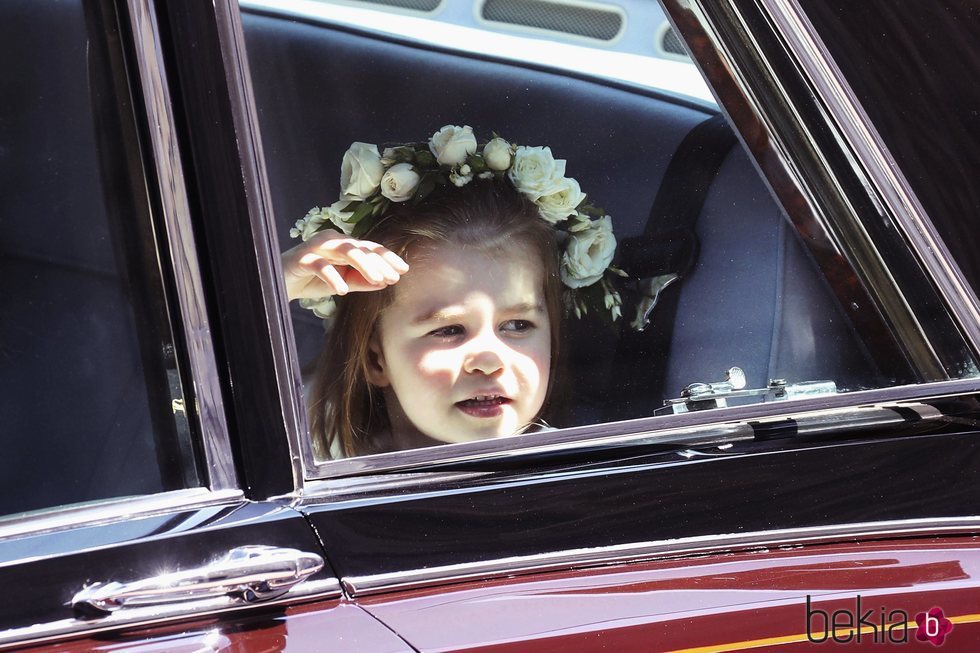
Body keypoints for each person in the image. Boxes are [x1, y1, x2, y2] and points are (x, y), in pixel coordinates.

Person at [281, 125, 624, 458]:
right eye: (448, 330)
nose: (489, 362)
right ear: (375, 359)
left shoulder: (580, 467)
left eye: (518, 325)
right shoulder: (311, 465)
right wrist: (280, 283)